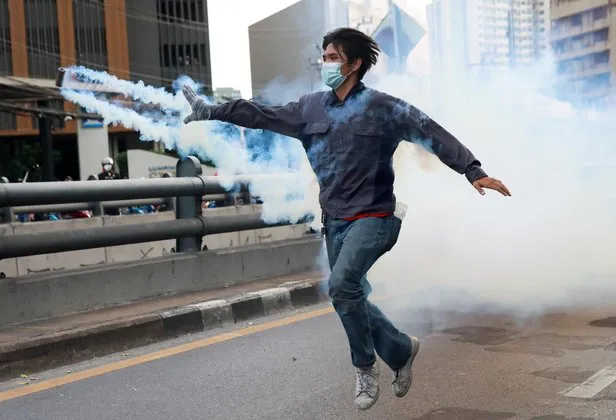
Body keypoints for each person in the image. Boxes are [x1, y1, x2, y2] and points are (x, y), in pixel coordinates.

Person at [182, 27, 511, 411]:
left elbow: (431, 133)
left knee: (341, 285)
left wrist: (472, 170)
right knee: (351, 295)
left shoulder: (385, 108)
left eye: (333, 57)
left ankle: (364, 367)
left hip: (376, 217)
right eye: (324, 57)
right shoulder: (309, 109)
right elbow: (260, 114)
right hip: (335, 221)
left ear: (355, 64)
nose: (326, 64)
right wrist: (212, 111)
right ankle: (402, 350)